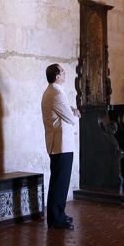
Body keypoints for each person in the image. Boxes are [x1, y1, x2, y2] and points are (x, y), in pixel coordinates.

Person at [41, 63, 79, 230]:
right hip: (60, 144)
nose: (65, 73)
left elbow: (64, 112)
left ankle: (59, 215)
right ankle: (56, 219)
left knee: (60, 182)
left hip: (60, 144)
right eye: (63, 72)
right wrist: (76, 114)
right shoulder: (55, 93)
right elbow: (71, 118)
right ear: (57, 76)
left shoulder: (54, 91)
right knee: (59, 182)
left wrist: (70, 112)